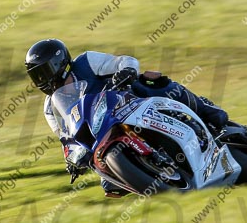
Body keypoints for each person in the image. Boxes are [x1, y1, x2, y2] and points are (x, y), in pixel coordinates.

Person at [24, 38, 228, 197]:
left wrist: (126, 71)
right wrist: (72, 160)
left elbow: (123, 61)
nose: (42, 79)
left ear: (59, 63)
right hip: (103, 135)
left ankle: (205, 109)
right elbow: (65, 136)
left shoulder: (85, 63)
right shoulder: (50, 108)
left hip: (129, 102)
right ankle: (156, 179)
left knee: (152, 81)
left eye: (44, 71)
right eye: (37, 75)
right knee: (109, 184)